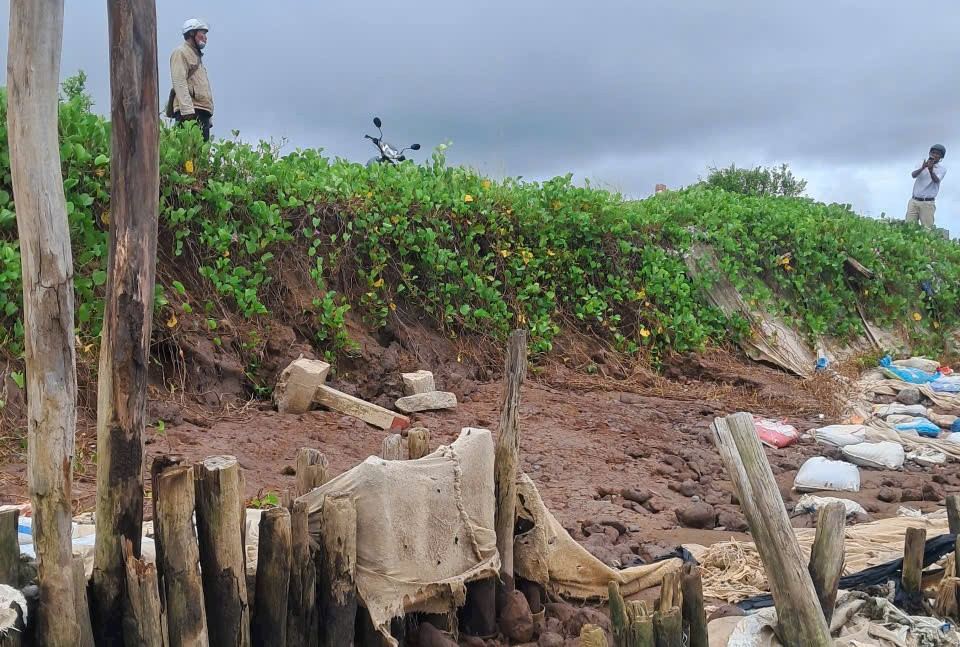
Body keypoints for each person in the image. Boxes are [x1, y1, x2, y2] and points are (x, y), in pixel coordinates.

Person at [169, 18, 214, 141]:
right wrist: (187, 110)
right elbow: (179, 81)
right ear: (192, 33)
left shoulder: (196, 56)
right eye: (202, 33)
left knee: (200, 151)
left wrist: (208, 116)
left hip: (201, 111)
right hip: (190, 112)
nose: (205, 37)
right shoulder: (181, 52)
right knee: (189, 150)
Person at [905, 144, 947, 228]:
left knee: (927, 228)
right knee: (909, 226)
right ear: (930, 153)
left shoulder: (942, 169)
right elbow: (913, 175)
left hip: (927, 203)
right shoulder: (922, 163)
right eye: (933, 152)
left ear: (941, 157)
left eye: (938, 154)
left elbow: (936, 180)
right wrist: (923, 167)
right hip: (914, 200)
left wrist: (931, 170)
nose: (935, 155)